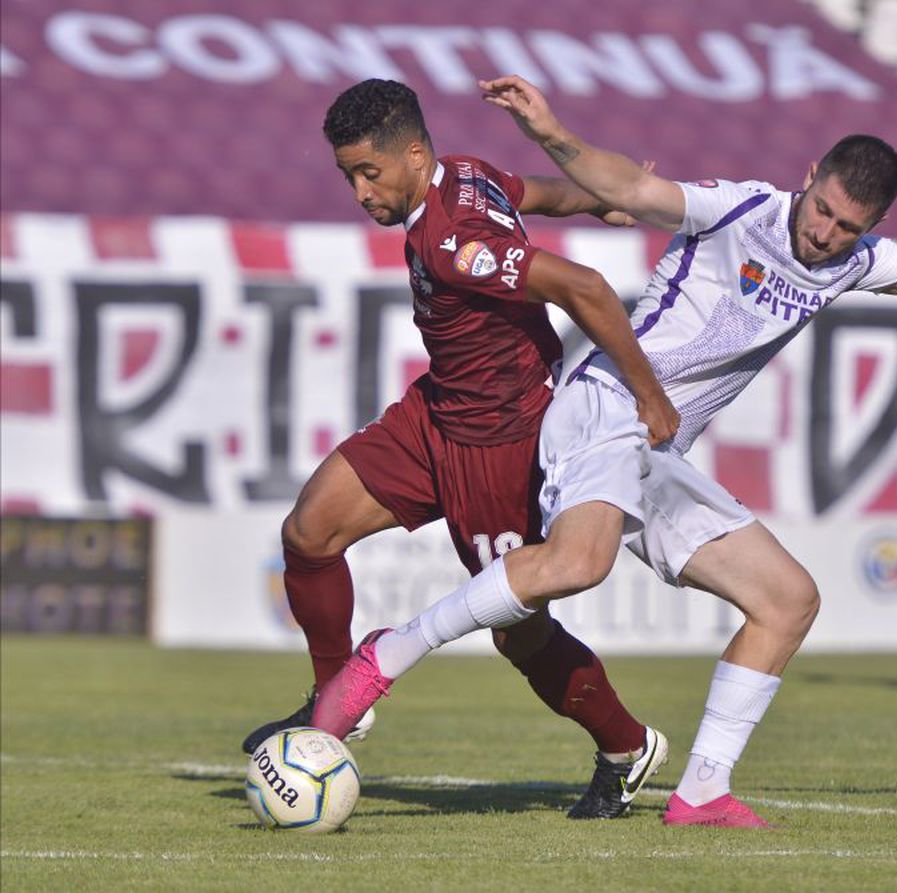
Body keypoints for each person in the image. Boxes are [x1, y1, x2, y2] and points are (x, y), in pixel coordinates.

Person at [310, 74, 897, 827]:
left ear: (870, 226)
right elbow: (636, 189)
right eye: (823, 212)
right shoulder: (746, 209)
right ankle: (386, 656)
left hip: (657, 448)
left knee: (788, 600)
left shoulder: (856, 262)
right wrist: (553, 135)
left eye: (847, 227)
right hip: (606, 403)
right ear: (808, 182)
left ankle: (701, 788)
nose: (823, 235)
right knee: (578, 562)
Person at [240, 78, 679, 821]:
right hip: (437, 412)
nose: (358, 192)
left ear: (413, 155)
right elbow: (532, 192)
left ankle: (628, 747)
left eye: (367, 173)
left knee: (519, 631)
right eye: (347, 173)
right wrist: (600, 201)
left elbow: (587, 288)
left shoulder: (453, 245)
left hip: (503, 443)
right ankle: (336, 696)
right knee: (309, 532)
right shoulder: (468, 175)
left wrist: (651, 395)